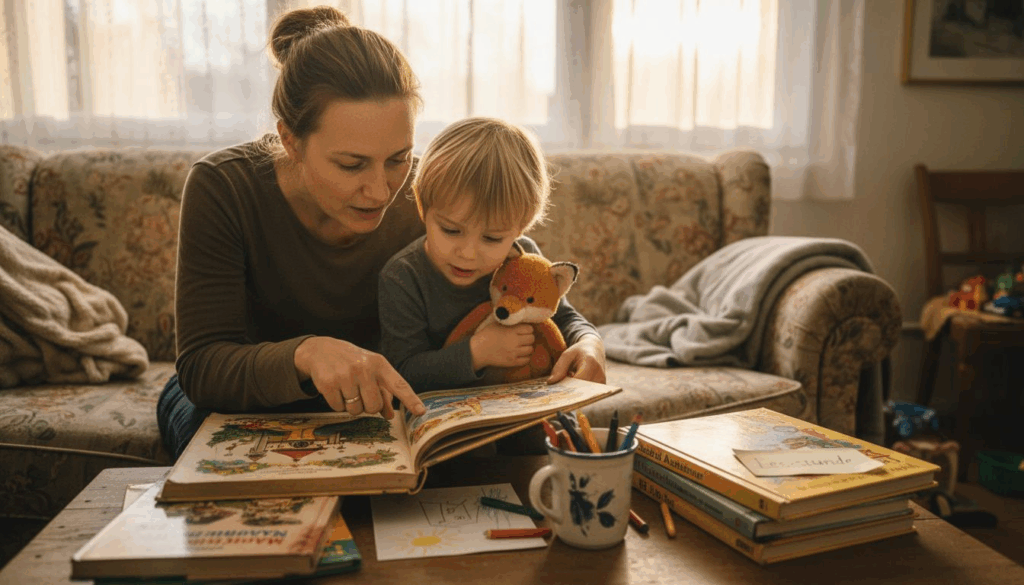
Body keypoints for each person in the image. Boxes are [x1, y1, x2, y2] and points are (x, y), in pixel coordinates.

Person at [157, 5, 429, 460]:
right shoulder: (223, 186)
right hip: (234, 398)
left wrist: (575, 340)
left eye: (398, 158)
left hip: (364, 401)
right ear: (290, 140)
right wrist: (307, 353)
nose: (381, 189)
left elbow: (518, 283)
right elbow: (202, 367)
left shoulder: (425, 191)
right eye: (351, 164)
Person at [378, 117, 607, 393]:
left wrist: (590, 343)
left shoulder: (523, 258)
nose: (468, 253)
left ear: (520, 229)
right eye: (451, 230)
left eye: (492, 238)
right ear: (423, 207)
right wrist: (476, 353)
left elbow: (563, 317)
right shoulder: (402, 277)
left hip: (528, 410)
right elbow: (403, 372)